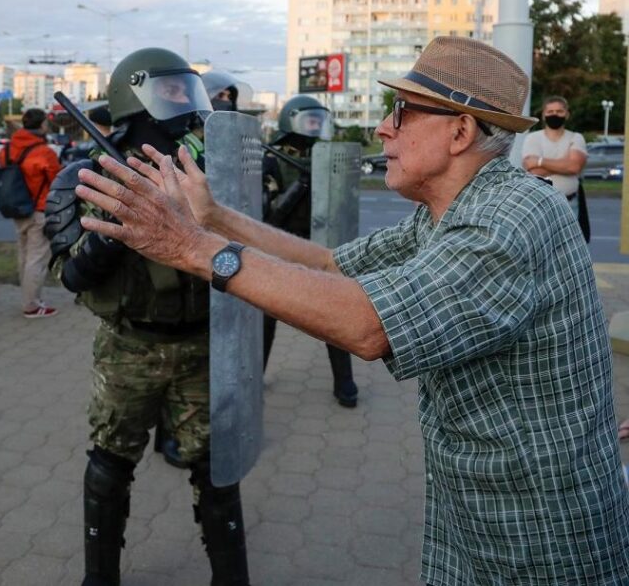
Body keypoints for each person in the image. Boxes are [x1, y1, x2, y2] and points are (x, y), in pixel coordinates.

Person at [74, 36, 629, 585]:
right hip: (480, 503)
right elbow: (332, 265)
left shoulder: (510, 217)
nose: (382, 128)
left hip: (537, 530)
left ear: (460, 131)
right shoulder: (452, 207)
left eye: (402, 112)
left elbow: (369, 327)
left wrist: (190, 248)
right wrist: (214, 218)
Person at [45, 47, 251, 586]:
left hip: (200, 345)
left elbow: (253, 250)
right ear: (136, 101)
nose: (187, 108)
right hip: (129, 349)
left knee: (216, 472)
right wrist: (123, 217)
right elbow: (70, 276)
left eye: (190, 92)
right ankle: (100, 576)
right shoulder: (87, 179)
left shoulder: (209, 180)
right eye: (174, 93)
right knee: (111, 463)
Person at [264, 96, 357, 407]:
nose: (316, 126)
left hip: (320, 249)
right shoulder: (272, 160)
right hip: (281, 249)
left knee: (334, 314)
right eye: (310, 120)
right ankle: (256, 374)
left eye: (320, 120)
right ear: (292, 121)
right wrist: (302, 183)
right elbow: (270, 216)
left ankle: (345, 382)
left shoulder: (328, 157)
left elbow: (343, 205)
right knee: (266, 316)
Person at [0, 107, 62, 318]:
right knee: (37, 258)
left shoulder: (8, 148)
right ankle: (32, 306)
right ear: (42, 125)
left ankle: (29, 298)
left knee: (24, 255)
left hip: (17, 207)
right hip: (38, 209)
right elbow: (57, 178)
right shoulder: (44, 152)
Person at [521, 95, 588, 225]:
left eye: (559, 111)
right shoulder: (532, 138)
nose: (555, 115)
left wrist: (539, 161)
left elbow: (574, 167)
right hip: (540, 205)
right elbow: (533, 171)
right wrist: (564, 162)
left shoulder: (576, 137)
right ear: (543, 115)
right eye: (550, 112)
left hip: (569, 205)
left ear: (567, 114)